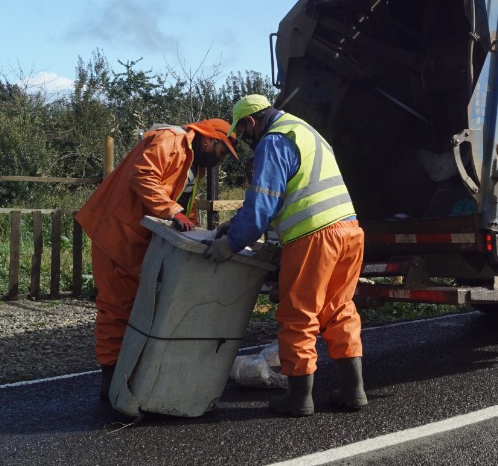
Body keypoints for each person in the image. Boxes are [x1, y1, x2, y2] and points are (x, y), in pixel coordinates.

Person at [204, 94, 366, 417]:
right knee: (339, 310)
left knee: (298, 313)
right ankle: (353, 390)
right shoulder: (304, 131)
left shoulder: (273, 142)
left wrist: (230, 243)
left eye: (244, 133)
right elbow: (288, 194)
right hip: (349, 230)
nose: (247, 141)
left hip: (315, 237)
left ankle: (299, 398)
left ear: (251, 122)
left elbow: (263, 206)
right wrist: (234, 223)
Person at [75, 118, 238, 403]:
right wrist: (173, 212)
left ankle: (127, 375)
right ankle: (111, 382)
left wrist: (193, 229)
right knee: (116, 307)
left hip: (134, 238)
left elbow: (182, 206)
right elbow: (143, 176)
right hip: (115, 232)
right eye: (222, 153)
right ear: (210, 139)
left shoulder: (192, 162)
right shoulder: (171, 139)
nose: (220, 161)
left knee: (135, 306)